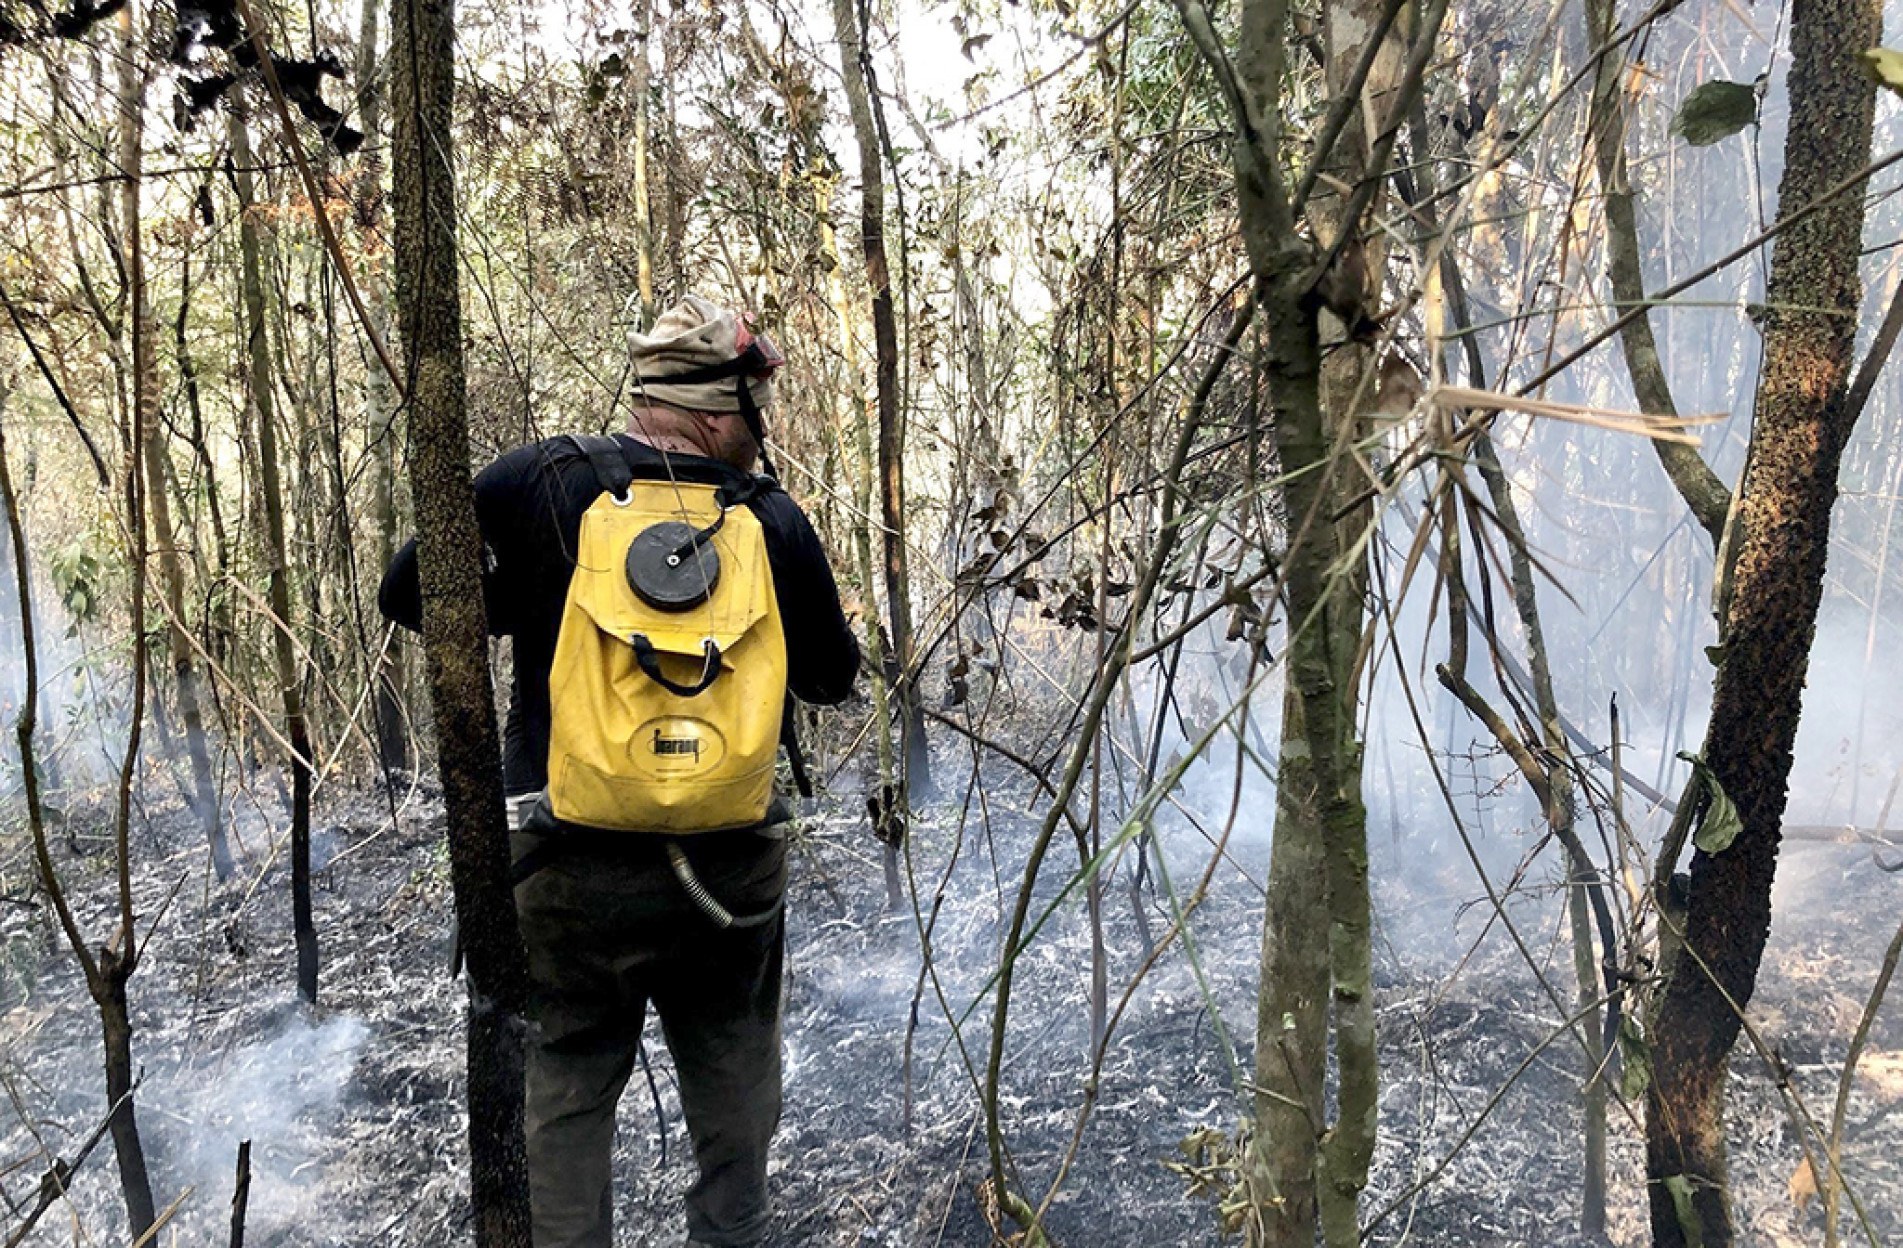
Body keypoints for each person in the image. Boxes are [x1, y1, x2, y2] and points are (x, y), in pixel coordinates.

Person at [380, 296, 860, 1247]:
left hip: (564, 865)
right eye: (755, 405)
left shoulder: (541, 480)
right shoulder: (769, 518)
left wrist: (540, 600)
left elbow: (408, 592)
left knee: (564, 1085)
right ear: (719, 413)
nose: (761, 429)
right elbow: (830, 678)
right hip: (725, 880)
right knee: (733, 1087)